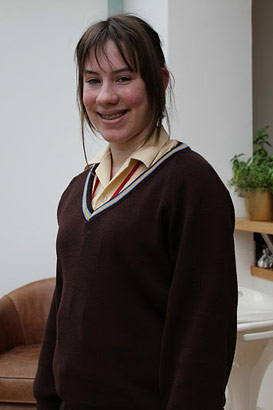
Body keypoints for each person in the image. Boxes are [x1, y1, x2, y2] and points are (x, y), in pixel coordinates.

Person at [33, 13, 237, 410]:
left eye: (124, 78)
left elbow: (204, 336)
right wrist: (47, 400)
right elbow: (63, 310)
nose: (105, 96)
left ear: (158, 82)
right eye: (93, 80)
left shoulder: (191, 185)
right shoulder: (78, 189)